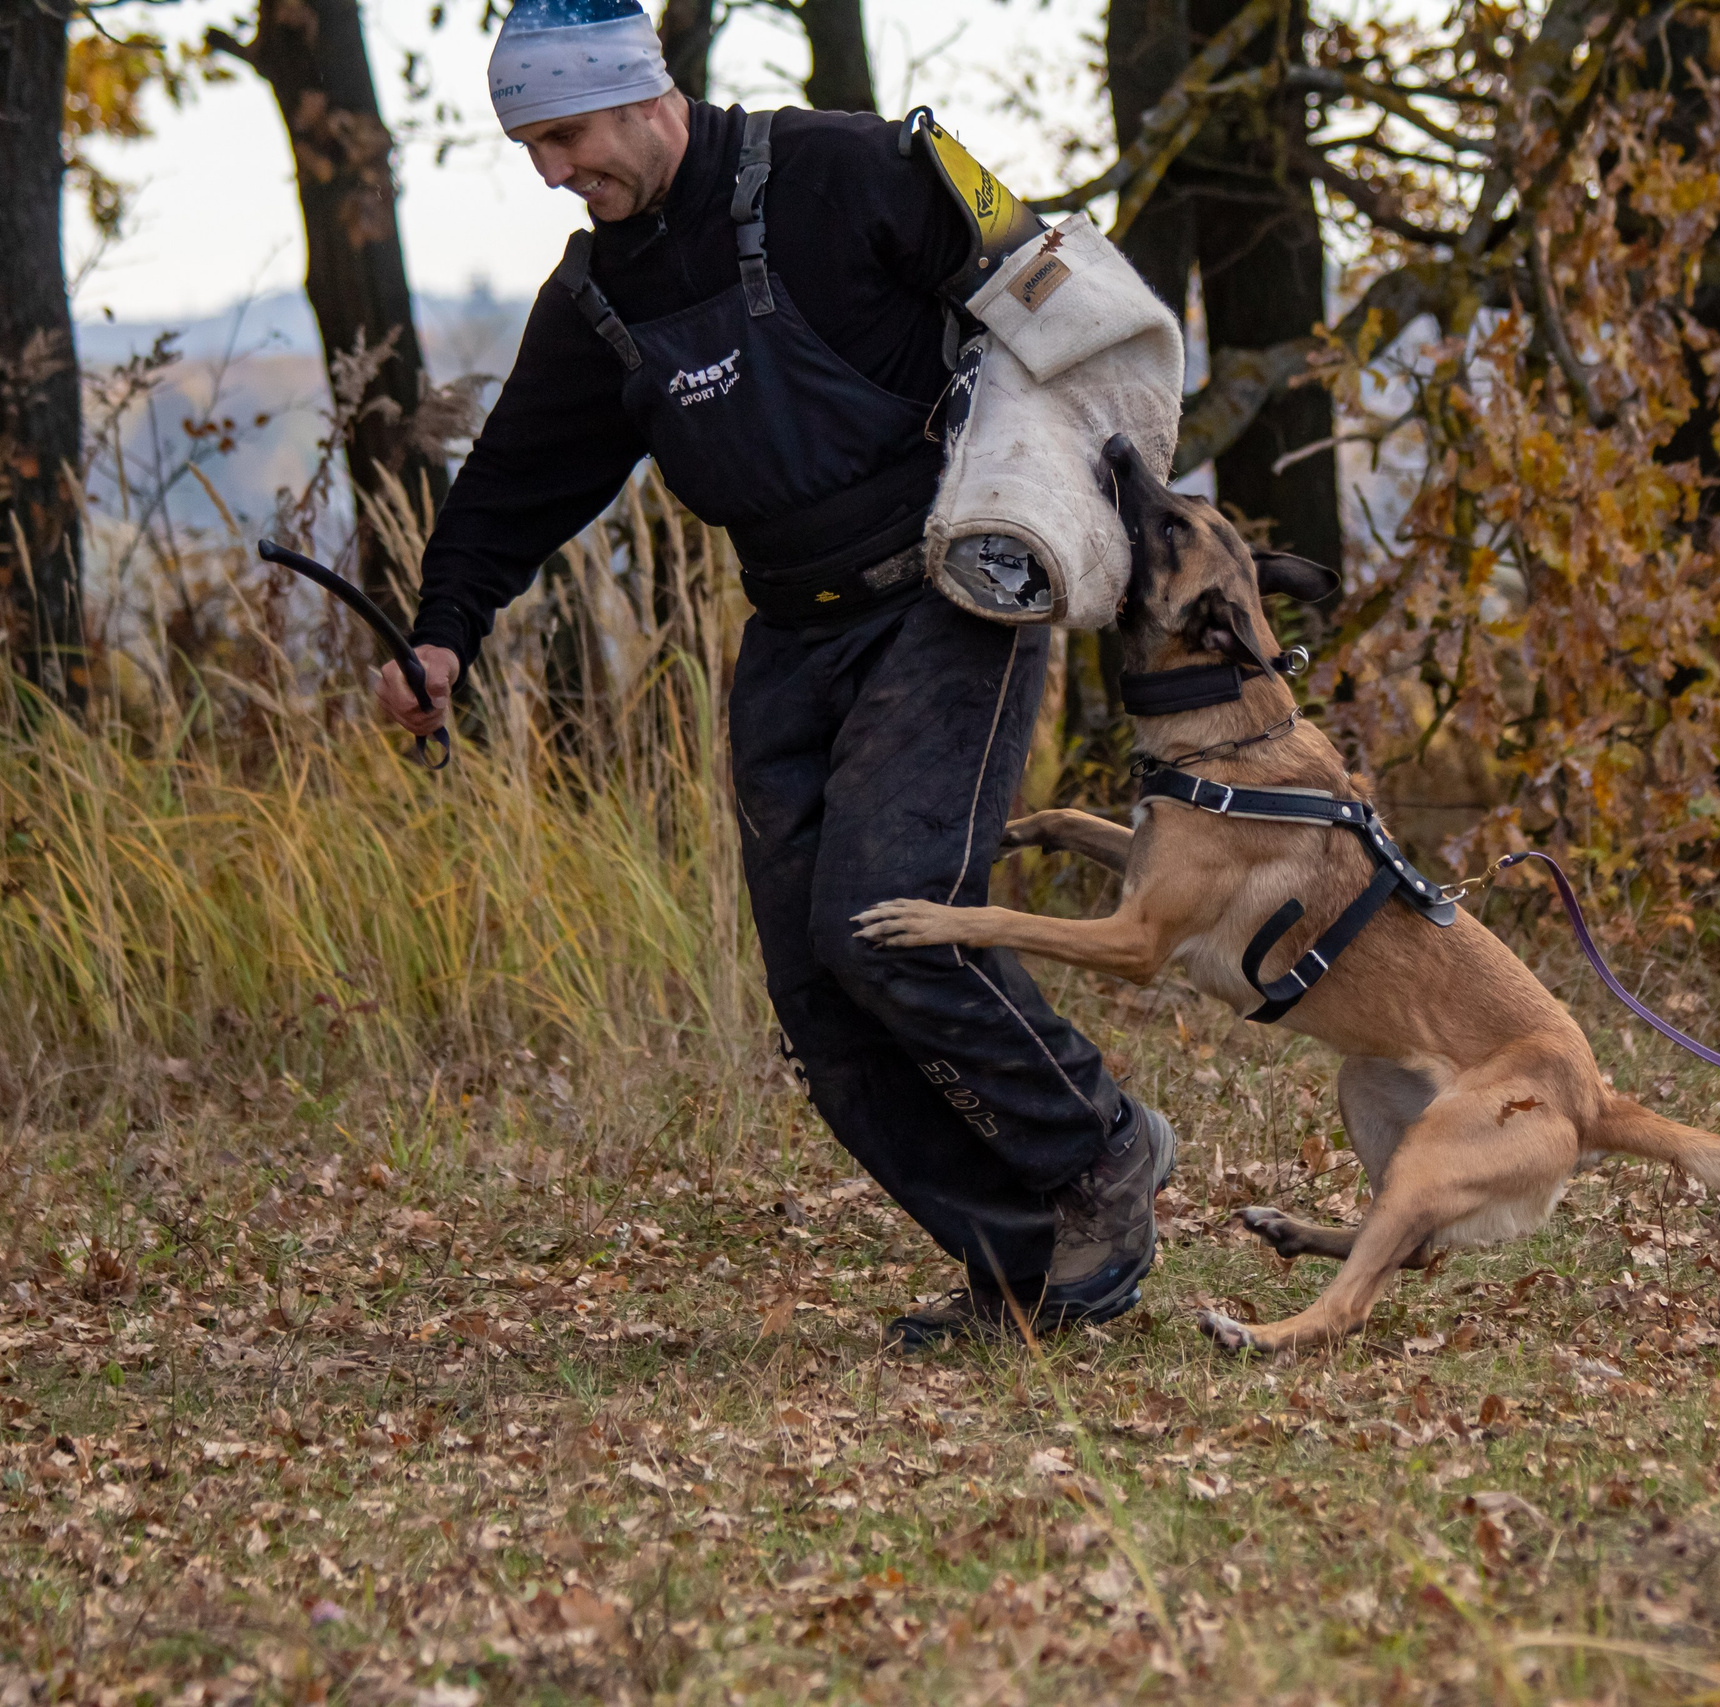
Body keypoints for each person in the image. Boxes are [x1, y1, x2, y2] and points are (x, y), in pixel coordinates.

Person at [376, 0, 1173, 1346]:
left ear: (643, 93)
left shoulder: (853, 170)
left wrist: (1098, 531)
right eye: (531, 146)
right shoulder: (596, 300)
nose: (553, 171)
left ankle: (1098, 1151)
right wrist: (445, 625)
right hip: (791, 633)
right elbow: (516, 479)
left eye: (565, 135)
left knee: (888, 913)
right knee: (816, 990)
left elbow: (1072, 314)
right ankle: (1019, 1261)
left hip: (947, 602)